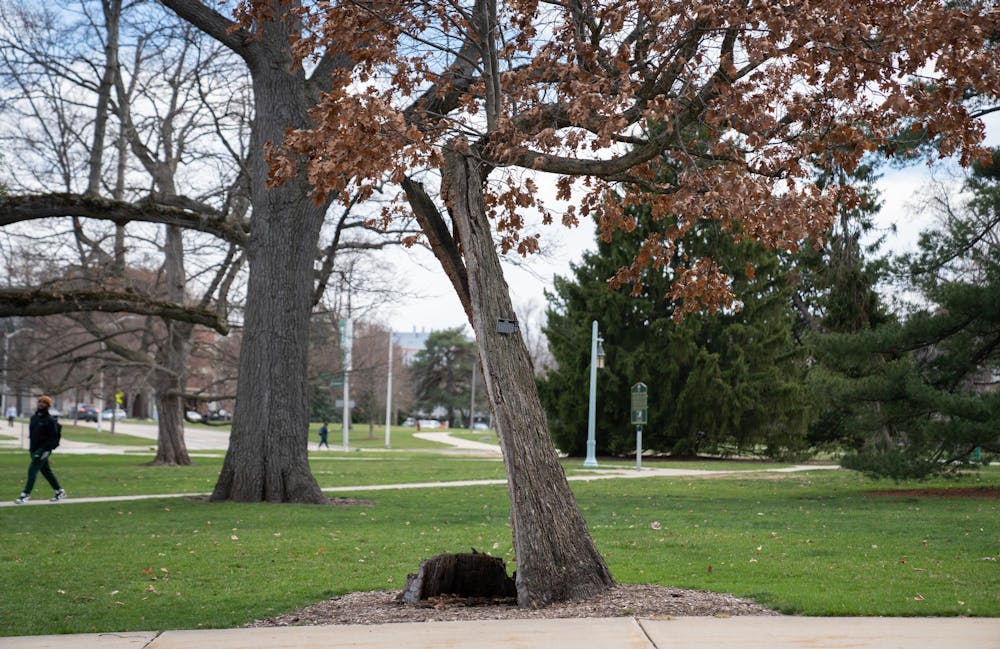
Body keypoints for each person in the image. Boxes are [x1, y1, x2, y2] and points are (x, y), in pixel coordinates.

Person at [14, 396, 65, 504]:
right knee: (46, 471)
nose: (41, 404)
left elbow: (53, 438)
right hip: (33, 449)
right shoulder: (34, 418)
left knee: (32, 470)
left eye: (44, 402)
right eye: (40, 402)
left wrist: (44, 451)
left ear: (48, 405)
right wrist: (32, 449)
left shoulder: (50, 420)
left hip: (43, 450)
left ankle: (25, 494)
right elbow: (32, 435)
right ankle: (59, 491)